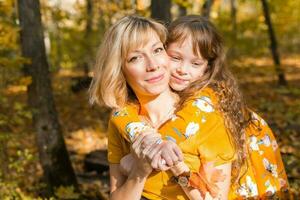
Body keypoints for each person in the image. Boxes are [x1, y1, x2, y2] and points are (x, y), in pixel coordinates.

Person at [112, 15, 290, 199]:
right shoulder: (136, 106)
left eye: (195, 63)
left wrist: (137, 156)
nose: (182, 70)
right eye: (175, 57)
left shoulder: (206, 102)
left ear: (207, 68)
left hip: (252, 165)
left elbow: (179, 133)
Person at [89, 15, 234, 200]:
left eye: (157, 50)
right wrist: (140, 169)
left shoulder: (207, 116)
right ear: (119, 69)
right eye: (135, 58)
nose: (153, 65)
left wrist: (174, 163)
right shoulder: (121, 121)